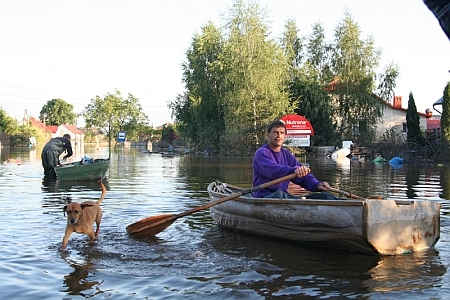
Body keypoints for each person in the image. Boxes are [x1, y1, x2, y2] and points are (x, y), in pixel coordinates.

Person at [252, 119, 337, 199]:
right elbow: (273, 171)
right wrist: (294, 170)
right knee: (280, 194)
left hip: (283, 196)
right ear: (267, 135)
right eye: (275, 132)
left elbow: (303, 177)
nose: (279, 136)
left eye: (282, 133)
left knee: (325, 196)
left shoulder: (286, 154)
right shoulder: (262, 153)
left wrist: (317, 184)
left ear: (285, 136)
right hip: (265, 196)